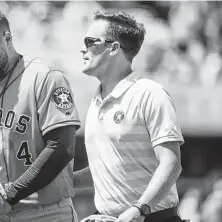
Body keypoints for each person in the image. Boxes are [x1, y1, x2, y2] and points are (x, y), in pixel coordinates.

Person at [0, 7, 81, 222]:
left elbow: (61, 147)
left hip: (48, 213)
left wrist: (10, 194)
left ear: (7, 38)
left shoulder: (45, 78)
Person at [75, 11, 186, 222]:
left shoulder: (150, 94)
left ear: (114, 48)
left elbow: (171, 164)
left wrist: (138, 210)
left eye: (90, 41)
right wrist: (63, 182)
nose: (83, 48)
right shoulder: (96, 101)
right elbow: (107, 169)